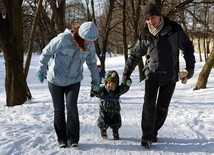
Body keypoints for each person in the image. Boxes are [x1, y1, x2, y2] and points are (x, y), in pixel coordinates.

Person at [122, 3, 196, 148]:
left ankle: (153, 131)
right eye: (147, 19)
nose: (151, 22)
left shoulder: (174, 29)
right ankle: (147, 136)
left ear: (159, 16)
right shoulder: (145, 34)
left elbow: (187, 47)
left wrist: (190, 68)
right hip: (152, 75)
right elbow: (135, 54)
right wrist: (126, 73)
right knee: (148, 106)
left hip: (170, 76)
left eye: (153, 18)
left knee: (162, 108)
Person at [36, 21, 101, 148]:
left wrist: (96, 82)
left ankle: (73, 139)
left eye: (92, 41)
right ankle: (62, 139)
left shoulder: (90, 46)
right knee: (59, 110)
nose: (89, 43)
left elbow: (92, 64)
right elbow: (46, 52)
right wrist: (41, 70)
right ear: (80, 36)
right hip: (55, 80)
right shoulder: (63, 39)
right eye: (87, 41)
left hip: (74, 80)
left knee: (72, 108)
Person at [91, 70, 131, 140]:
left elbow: (123, 89)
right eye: (109, 83)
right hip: (104, 112)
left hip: (115, 111)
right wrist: (95, 89)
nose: (111, 86)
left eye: (113, 84)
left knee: (116, 122)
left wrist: (127, 84)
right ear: (106, 83)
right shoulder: (103, 91)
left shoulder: (117, 91)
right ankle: (103, 131)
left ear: (116, 85)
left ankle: (115, 132)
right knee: (103, 122)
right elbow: (98, 93)